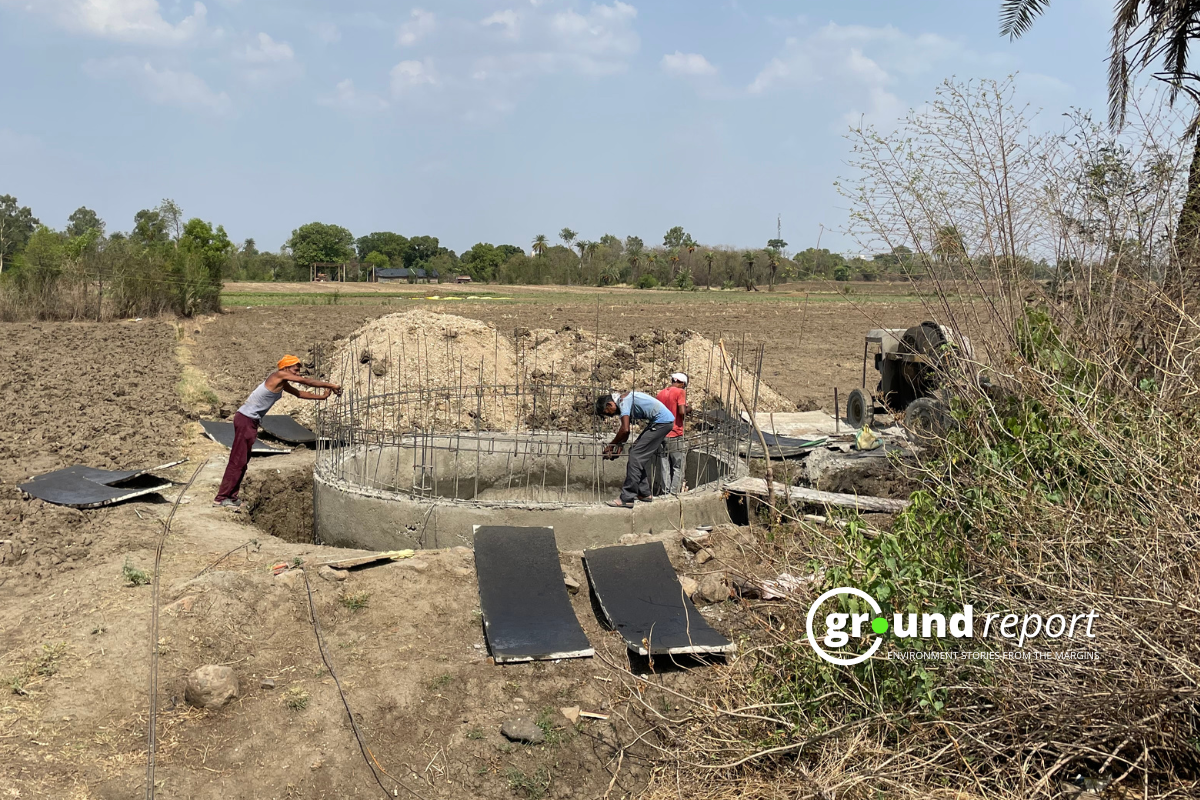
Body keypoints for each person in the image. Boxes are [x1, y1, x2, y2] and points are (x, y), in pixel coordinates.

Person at [213, 355, 342, 509]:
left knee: (243, 460)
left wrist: (322, 397)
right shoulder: (278, 375)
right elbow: (306, 382)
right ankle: (221, 498)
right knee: (238, 460)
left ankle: (231, 497)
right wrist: (332, 385)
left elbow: (299, 394)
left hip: (250, 421)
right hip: (246, 420)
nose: (298, 373)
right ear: (285, 368)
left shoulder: (282, 382)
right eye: (295, 369)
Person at [595, 390, 675, 508]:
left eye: (608, 412)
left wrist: (611, 445)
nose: (611, 415)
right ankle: (644, 493)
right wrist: (620, 445)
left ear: (610, 404)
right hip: (659, 422)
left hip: (661, 422)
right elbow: (625, 432)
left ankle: (627, 498)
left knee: (635, 456)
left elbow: (625, 429)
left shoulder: (623, 401)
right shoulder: (623, 400)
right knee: (635, 453)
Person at [656, 373, 689, 495]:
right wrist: (688, 409)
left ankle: (665, 493)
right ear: (682, 383)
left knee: (665, 465)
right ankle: (674, 493)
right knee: (678, 466)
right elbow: (681, 412)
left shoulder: (661, 393)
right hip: (675, 433)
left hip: (661, 434)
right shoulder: (680, 392)